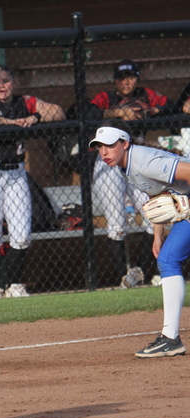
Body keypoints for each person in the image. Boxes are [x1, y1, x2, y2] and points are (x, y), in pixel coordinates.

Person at [89, 119, 190, 358]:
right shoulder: (128, 164)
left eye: (110, 145)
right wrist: (158, 234)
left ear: (124, 143)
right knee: (167, 258)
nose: (104, 152)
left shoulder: (144, 161)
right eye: (99, 147)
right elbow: (157, 196)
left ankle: (170, 339)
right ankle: (170, 338)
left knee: (168, 260)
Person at [0, 65, 65, 298]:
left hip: (15, 173)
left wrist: (35, 116)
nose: (2, 86)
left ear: (14, 83)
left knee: (21, 234)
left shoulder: (26, 101)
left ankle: (13, 284)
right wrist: (10, 122)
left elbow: (58, 111)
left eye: (6, 81)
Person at [89, 60, 172, 288]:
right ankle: (123, 278)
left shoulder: (146, 95)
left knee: (152, 217)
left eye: (131, 77)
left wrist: (152, 110)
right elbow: (88, 112)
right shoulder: (106, 97)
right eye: (122, 78)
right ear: (115, 80)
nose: (126, 82)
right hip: (109, 162)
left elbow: (171, 105)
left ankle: (140, 272)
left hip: (138, 159)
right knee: (116, 224)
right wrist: (117, 112)